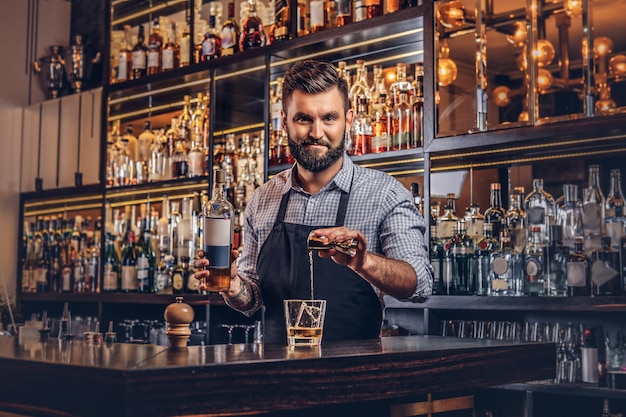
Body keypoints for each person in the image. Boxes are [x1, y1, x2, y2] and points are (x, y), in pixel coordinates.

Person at [195, 59, 433, 344]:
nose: (317, 132)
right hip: (275, 374)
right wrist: (233, 286)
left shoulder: (385, 194)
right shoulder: (263, 198)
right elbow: (252, 298)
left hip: (357, 375)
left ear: (349, 119)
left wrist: (363, 261)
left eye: (329, 118)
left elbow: (419, 284)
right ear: (284, 122)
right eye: (303, 118)